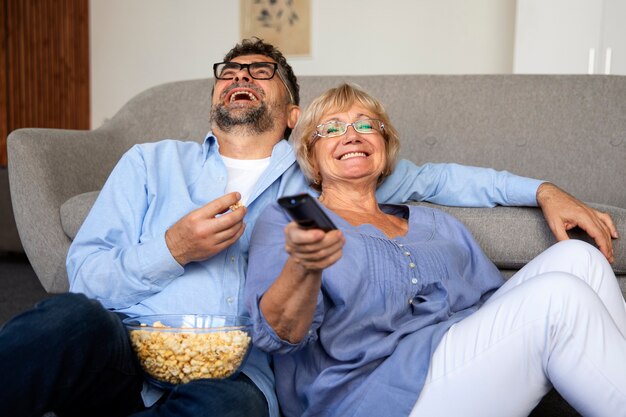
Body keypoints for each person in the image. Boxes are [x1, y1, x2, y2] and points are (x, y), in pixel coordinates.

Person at [0, 38, 617, 417]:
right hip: (126, 345)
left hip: (241, 373)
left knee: (229, 409)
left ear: (294, 115)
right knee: (66, 318)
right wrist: (170, 249)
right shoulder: (151, 163)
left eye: (260, 71)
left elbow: (442, 181)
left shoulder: (317, 177)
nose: (241, 75)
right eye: (230, 69)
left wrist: (541, 189)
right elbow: (83, 273)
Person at [244, 83, 626, 417]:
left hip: (456, 362)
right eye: (331, 128)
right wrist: (304, 268)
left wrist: (544, 190)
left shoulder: (436, 223)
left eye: (365, 125)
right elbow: (277, 335)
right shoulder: (294, 219)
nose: (352, 135)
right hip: (372, 394)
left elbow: (494, 308)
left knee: (581, 259)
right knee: (558, 297)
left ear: (385, 146)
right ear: (310, 154)